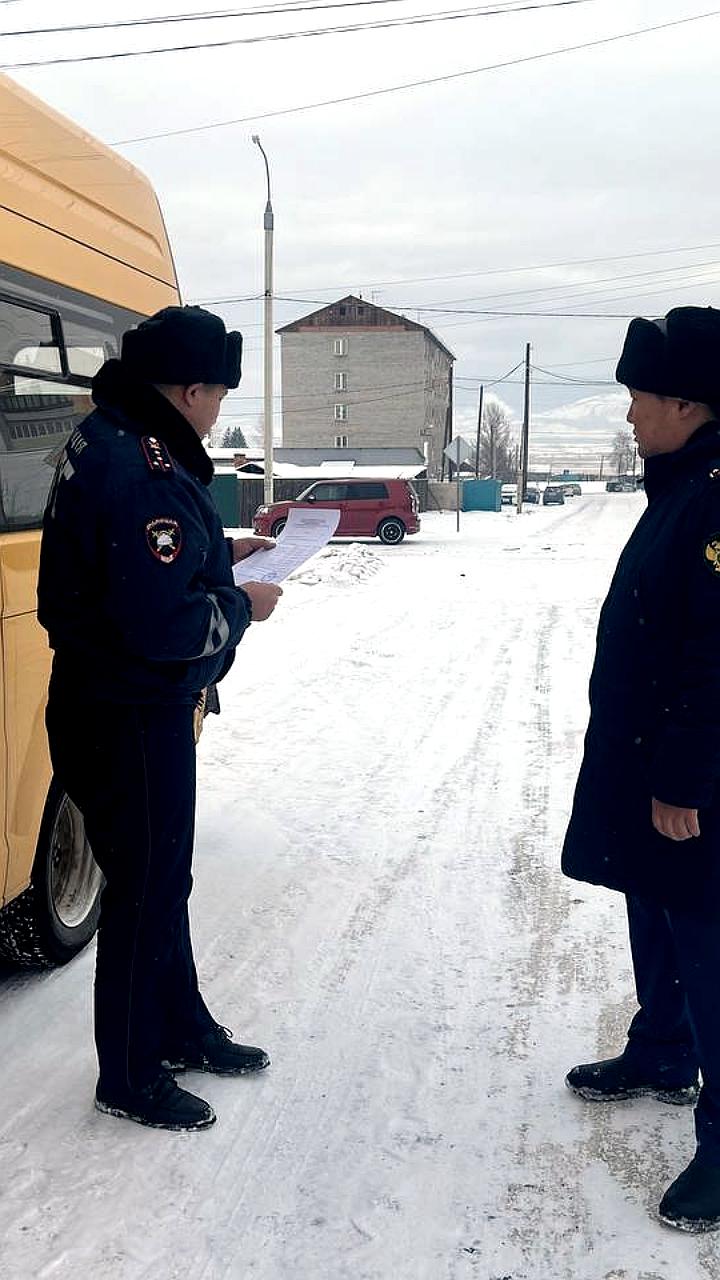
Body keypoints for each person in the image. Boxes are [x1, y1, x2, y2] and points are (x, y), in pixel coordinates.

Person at [38, 306, 282, 1132]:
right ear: (187, 391)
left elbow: (148, 565)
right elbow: (164, 624)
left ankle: (180, 1027)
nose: (219, 410)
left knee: (162, 881)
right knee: (143, 894)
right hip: (130, 715)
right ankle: (132, 1074)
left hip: (113, 707)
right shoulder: (139, 467)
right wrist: (241, 605)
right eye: (216, 395)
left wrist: (224, 555)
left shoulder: (117, 436)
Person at [561, 305, 720, 1231]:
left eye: (638, 398)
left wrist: (684, 783)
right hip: (648, 756)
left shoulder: (714, 494)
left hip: (688, 776)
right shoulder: (685, 481)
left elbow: (715, 655)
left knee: (707, 944)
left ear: (688, 403)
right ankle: (661, 1049)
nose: (628, 415)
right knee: (654, 909)